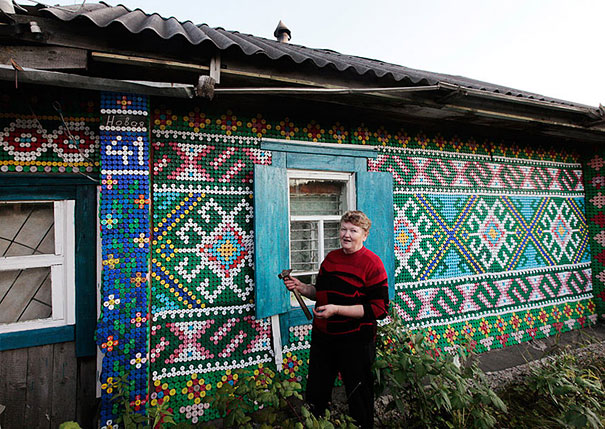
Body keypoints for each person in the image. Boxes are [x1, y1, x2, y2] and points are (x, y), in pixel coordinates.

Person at [283, 210, 389, 429]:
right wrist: (301, 287)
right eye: (343, 229)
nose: (346, 235)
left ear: (365, 235)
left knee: (358, 395)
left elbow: (379, 309)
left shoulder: (372, 264)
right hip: (324, 338)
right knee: (316, 393)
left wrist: (337, 310)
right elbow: (319, 292)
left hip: (356, 342)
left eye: (353, 230)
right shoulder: (331, 259)